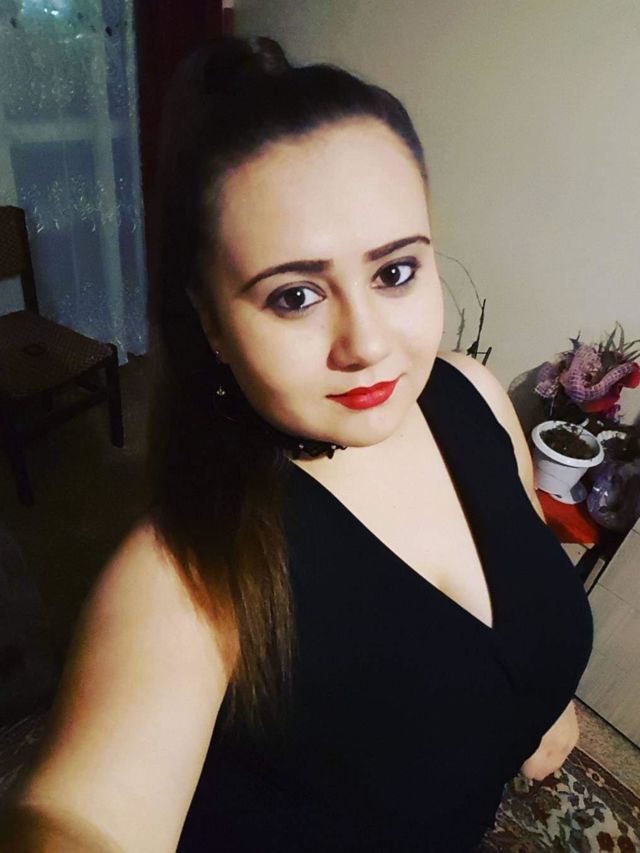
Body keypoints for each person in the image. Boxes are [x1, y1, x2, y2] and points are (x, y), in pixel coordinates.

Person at [0, 35, 593, 852]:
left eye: (394, 272)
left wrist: (543, 696)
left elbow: (521, 575)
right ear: (210, 322)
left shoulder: (476, 395)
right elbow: (79, 814)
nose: (368, 344)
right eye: (296, 295)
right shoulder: (182, 576)